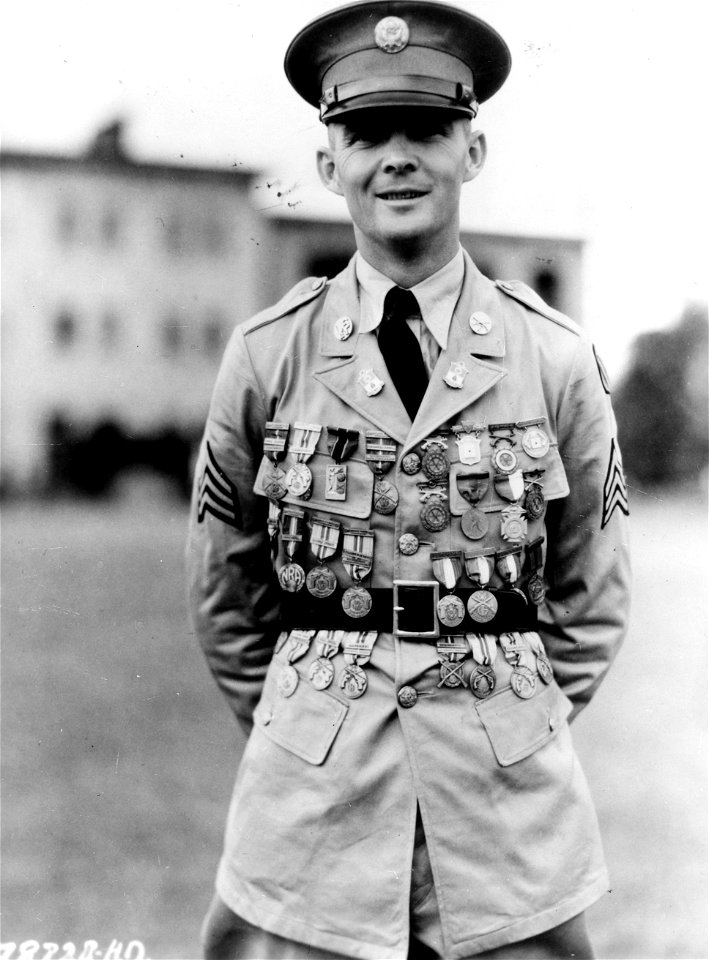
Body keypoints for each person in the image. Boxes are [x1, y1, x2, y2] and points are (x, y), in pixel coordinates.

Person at [186, 2, 631, 958]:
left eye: (427, 130)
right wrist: (309, 723)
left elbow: (593, 595)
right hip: (314, 814)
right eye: (364, 134)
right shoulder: (268, 356)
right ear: (325, 164)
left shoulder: (552, 357)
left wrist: (507, 718)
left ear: (471, 152)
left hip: (505, 816)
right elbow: (226, 597)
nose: (397, 158)